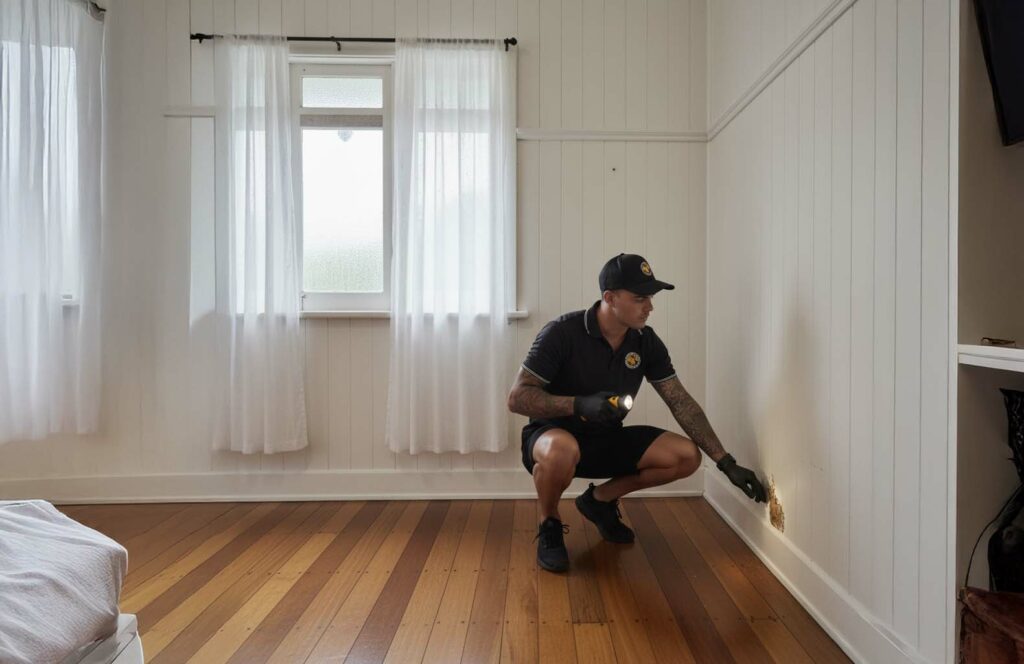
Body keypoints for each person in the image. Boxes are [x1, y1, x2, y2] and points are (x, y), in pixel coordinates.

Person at [507, 253, 767, 572]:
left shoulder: (645, 342)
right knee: (562, 449)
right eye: (640, 298)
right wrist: (577, 404)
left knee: (686, 455)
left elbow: (679, 401)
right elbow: (517, 398)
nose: (650, 307)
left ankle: (599, 502)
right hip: (551, 440)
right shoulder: (562, 332)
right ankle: (549, 523)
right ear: (610, 298)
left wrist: (725, 462)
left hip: (606, 439)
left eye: (651, 298)